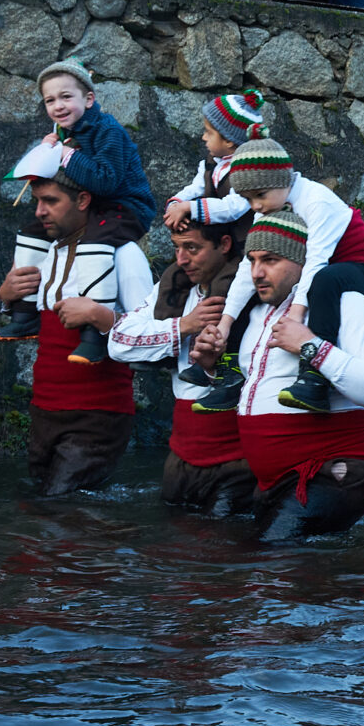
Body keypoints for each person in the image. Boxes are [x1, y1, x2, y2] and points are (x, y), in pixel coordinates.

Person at [193, 209, 364, 541]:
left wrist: (312, 347)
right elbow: (257, 388)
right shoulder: (255, 314)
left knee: (273, 569)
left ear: (304, 262)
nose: (257, 272)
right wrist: (210, 365)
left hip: (329, 470)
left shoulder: (350, 306)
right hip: (271, 477)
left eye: (271, 260)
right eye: (252, 260)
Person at [0, 60, 157, 367]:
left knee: (94, 242)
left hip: (125, 208)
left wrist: (66, 154)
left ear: (88, 99)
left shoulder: (108, 131)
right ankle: (25, 313)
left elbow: (105, 180)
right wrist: (49, 147)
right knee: (30, 232)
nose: (58, 105)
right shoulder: (65, 129)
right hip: (96, 207)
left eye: (66, 97)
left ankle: (95, 335)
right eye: (50, 100)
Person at [0, 173, 153, 496]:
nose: (39, 211)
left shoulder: (123, 253)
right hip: (44, 411)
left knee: (59, 510)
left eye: (50, 201)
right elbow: (33, 320)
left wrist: (100, 316)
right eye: (37, 201)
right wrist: (6, 295)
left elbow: (150, 333)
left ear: (83, 200)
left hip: (97, 416)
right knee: (41, 513)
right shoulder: (46, 250)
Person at [194, 138, 364, 413]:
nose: (255, 206)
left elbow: (317, 260)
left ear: (283, 181)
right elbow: (248, 266)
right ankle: (230, 373)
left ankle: (314, 377)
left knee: (324, 281)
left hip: (350, 264)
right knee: (256, 282)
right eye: (247, 199)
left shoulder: (316, 201)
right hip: (306, 265)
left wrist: (294, 316)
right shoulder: (269, 207)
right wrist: (226, 323)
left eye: (260, 195)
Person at [107, 220, 255, 513]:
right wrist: (183, 326)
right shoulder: (172, 290)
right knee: (175, 538)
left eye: (192, 248)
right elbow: (118, 342)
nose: (181, 259)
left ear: (224, 245)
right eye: (177, 247)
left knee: (224, 545)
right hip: (182, 450)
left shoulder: (253, 292)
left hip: (236, 454)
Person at [159, 91, 261, 384]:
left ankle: (218, 353)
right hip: (218, 242)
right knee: (172, 277)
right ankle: (169, 341)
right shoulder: (212, 163)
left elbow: (233, 207)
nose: (204, 138)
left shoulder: (245, 169)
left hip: (241, 248)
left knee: (221, 289)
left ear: (229, 140)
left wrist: (191, 208)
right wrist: (177, 203)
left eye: (209, 132)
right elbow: (194, 187)